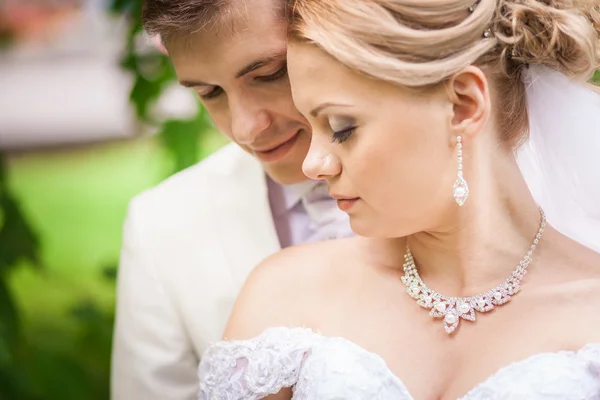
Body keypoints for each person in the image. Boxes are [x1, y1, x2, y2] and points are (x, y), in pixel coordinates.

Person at [198, 0, 600, 398]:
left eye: (341, 127)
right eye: (310, 125)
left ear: (463, 105)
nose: (313, 164)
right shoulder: (284, 298)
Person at [110, 0, 353, 399]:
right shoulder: (158, 227)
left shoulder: (467, 186)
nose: (245, 128)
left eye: (269, 75)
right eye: (209, 92)